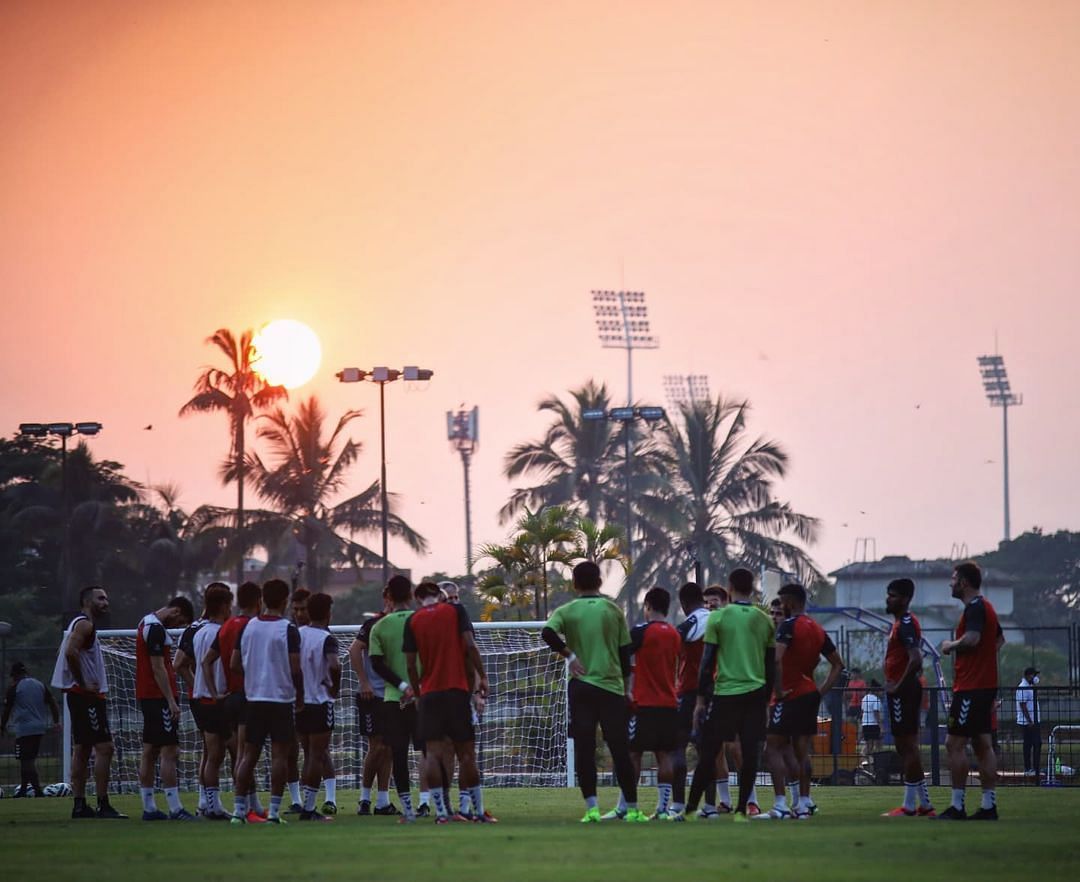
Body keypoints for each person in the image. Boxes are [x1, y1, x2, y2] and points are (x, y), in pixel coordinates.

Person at [542, 561, 645, 823]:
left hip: (581, 686)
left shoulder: (567, 610)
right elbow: (625, 654)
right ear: (599, 581)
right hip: (611, 687)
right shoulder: (613, 610)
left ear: (574, 583)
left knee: (585, 748)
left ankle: (592, 810)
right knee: (620, 748)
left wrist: (570, 655)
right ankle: (632, 808)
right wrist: (627, 688)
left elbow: (547, 633)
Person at [405, 580, 494, 824]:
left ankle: (442, 813)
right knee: (466, 753)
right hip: (456, 690)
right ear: (440, 595)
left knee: (433, 754)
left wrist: (417, 692)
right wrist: (482, 676)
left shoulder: (413, 620)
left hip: (430, 694)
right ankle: (476, 812)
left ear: (417, 599)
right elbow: (470, 645)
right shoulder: (456, 612)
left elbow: (411, 665)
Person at [690, 567, 774, 822]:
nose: (709, 606)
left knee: (731, 749)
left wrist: (701, 700)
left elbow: (707, 661)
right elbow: (770, 666)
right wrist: (767, 700)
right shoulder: (764, 620)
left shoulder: (720, 619)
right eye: (706, 603)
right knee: (727, 752)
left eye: (712, 602)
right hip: (754, 692)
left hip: (727, 691)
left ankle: (744, 804)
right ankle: (731, 805)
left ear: (728, 590)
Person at [763, 583, 843, 820]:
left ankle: (780, 805)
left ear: (791, 602)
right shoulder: (817, 628)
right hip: (809, 693)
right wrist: (820, 691)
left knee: (772, 748)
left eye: (783, 602)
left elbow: (776, 660)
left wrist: (778, 690)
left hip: (789, 694)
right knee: (801, 751)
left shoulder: (788, 626)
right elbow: (838, 664)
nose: (781, 607)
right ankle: (804, 803)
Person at [230, 579, 304, 825]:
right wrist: (300, 695)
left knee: (248, 756)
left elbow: (233, 664)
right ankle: (273, 812)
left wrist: (255, 674)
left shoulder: (248, 627)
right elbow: (295, 668)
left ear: (262, 599)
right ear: (285, 600)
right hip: (281, 699)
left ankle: (238, 812)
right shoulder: (288, 629)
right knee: (280, 757)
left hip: (254, 699)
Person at [51, 586, 126, 818]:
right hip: (86, 697)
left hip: (81, 696)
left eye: (107, 598)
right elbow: (71, 652)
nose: (106, 602)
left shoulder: (80, 624)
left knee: (82, 749)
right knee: (105, 747)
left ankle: (80, 804)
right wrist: (83, 683)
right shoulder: (84, 624)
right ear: (87, 601)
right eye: (101, 598)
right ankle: (103, 804)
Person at [938, 560, 1004, 821]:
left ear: (963, 582)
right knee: (982, 744)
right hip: (983, 684)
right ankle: (989, 806)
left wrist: (949, 645)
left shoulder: (976, 608)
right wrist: (983, 661)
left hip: (971, 687)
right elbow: (998, 639)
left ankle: (957, 805)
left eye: (953, 579)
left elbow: (974, 639)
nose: (950, 583)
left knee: (953, 744)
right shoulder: (986, 607)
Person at [202, 580, 265, 821]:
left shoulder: (227, 626)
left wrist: (214, 693)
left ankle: (253, 806)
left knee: (239, 754)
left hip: (229, 699)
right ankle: (245, 809)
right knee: (245, 755)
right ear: (259, 601)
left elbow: (206, 661)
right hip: (248, 697)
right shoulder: (252, 627)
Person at [135, 595, 196, 821]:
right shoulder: (155, 629)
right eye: (180, 623)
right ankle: (175, 807)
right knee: (170, 750)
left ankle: (149, 807)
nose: (177, 627)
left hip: (149, 696)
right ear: (176, 612)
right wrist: (170, 700)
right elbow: (158, 667)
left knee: (150, 751)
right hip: (157, 697)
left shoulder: (147, 623)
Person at [880, 578, 936, 817]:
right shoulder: (899, 624)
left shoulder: (905, 623)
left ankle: (909, 806)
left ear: (904, 599)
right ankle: (924, 804)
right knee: (906, 747)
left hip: (904, 691)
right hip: (902, 690)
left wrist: (898, 686)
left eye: (892, 595)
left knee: (907, 746)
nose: (887, 599)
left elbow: (915, 658)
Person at [625, 587, 681, 820]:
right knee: (664, 756)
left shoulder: (640, 631)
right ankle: (662, 808)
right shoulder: (675, 634)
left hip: (644, 703)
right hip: (669, 702)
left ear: (647, 606)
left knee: (634, 754)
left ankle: (631, 808)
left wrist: (626, 685)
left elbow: (621, 656)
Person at [369, 575, 421, 821]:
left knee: (399, 755)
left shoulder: (378, 626)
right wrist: (416, 688)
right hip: (422, 697)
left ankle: (408, 809)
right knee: (428, 752)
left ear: (388, 596)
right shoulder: (421, 620)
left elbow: (376, 665)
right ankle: (432, 805)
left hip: (393, 698)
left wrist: (401, 686)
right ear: (410, 595)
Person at [187, 583, 234, 820]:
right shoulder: (220, 632)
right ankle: (227, 805)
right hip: (219, 698)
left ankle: (209, 804)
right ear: (224, 605)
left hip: (201, 698)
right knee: (226, 753)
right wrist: (218, 693)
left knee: (211, 753)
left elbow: (194, 664)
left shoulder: (199, 632)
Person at [349, 588, 395, 815]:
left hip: (392, 695)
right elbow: (354, 650)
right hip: (372, 695)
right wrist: (364, 682)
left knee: (388, 749)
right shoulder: (372, 625)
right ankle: (365, 799)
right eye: (391, 598)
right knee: (376, 747)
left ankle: (383, 801)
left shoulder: (403, 623)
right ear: (386, 599)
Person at [296, 592, 341, 821]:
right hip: (320, 701)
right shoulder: (326, 638)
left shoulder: (297, 634)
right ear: (328, 613)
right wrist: (335, 688)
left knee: (307, 753)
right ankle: (310, 808)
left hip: (299, 703)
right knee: (317, 755)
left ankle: (304, 803)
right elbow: (334, 664)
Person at [671, 582, 711, 819]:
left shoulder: (688, 624)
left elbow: (672, 650)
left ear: (684, 604)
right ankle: (711, 807)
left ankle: (677, 804)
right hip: (714, 690)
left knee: (678, 747)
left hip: (688, 691)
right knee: (708, 751)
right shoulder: (717, 620)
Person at [2, 661, 60, 798]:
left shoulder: (15, 688)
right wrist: (56, 721)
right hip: (39, 728)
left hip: (24, 729)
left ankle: (37, 791)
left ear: (14, 675)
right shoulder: (39, 684)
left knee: (26, 761)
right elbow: (52, 702)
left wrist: (1, 726)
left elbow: (7, 710)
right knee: (28, 759)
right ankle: (23, 790)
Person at [284, 586, 312, 813]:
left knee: (316, 752)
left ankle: (328, 798)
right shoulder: (287, 632)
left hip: (315, 700)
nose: (299, 614)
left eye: (303, 609)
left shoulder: (321, 634)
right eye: (296, 609)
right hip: (289, 699)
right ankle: (296, 801)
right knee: (289, 752)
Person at [1016, 667, 1041, 778]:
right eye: (1033, 675)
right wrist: (1029, 721)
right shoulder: (1022, 687)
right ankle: (1028, 768)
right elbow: (1023, 705)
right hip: (1028, 722)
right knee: (1029, 745)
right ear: (1027, 675)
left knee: (1036, 744)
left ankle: (1035, 768)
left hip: (1034, 720)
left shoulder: (1030, 687)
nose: (1034, 677)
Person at [860, 681, 884, 761]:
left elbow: (862, 711)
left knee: (868, 744)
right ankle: (878, 760)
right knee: (877, 744)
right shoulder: (876, 700)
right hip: (873, 724)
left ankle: (863, 758)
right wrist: (881, 727)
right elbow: (876, 714)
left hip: (865, 723)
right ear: (876, 690)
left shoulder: (865, 698)